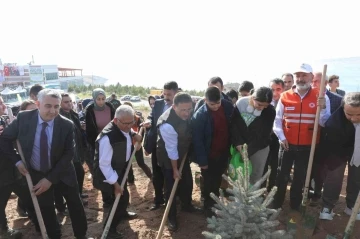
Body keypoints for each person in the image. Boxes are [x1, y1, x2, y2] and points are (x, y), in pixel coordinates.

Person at [0, 89, 91, 239]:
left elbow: (69, 154)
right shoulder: (24, 118)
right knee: (46, 208)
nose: (53, 111)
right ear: (38, 104)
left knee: (75, 205)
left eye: (56, 106)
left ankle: (82, 235)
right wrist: (17, 161)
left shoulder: (66, 125)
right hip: (37, 173)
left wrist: (50, 179)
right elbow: (4, 140)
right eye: (48, 106)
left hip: (63, 173)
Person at [272, 63, 330, 210]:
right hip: (287, 144)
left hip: (308, 146)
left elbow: (324, 122)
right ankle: (277, 203)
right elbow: (277, 120)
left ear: (311, 77)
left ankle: (295, 204)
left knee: (300, 177)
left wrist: (322, 108)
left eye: (304, 75)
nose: (300, 78)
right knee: (281, 175)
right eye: (298, 75)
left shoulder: (321, 96)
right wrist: (281, 137)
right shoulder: (285, 96)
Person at [93, 105, 141, 239]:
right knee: (121, 198)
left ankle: (122, 212)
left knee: (122, 196)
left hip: (120, 167)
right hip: (108, 173)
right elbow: (104, 165)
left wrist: (134, 134)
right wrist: (115, 184)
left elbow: (128, 130)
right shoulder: (107, 138)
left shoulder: (124, 125)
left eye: (131, 122)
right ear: (115, 121)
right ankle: (109, 230)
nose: (128, 126)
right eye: (125, 123)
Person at [157, 92, 200, 231]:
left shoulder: (186, 112)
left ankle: (187, 205)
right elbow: (171, 150)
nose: (187, 113)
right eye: (183, 110)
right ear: (174, 107)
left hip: (182, 153)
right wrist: (175, 169)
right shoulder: (167, 124)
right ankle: (171, 216)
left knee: (187, 181)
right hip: (168, 156)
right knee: (171, 186)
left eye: (189, 109)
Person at [191, 86, 234, 216]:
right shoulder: (199, 116)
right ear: (205, 100)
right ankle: (207, 206)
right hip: (208, 155)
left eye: (218, 103)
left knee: (217, 179)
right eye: (212, 104)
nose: (215, 107)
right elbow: (197, 141)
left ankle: (214, 203)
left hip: (223, 152)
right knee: (208, 181)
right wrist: (202, 161)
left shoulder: (227, 106)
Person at [319, 92, 360, 220]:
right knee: (334, 176)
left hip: (358, 149)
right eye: (349, 114)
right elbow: (330, 142)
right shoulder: (334, 123)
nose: (353, 118)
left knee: (357, 177)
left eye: (358, 114)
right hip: (338, 149)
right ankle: (327, 206)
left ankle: (352, 206)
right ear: (343, 109)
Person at [0, 96, 34, 239]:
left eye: (1, 102)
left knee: (29, 195)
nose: (2, 105)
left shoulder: (3, 120)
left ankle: (38, 220)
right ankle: (4, 230)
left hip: (13, 168)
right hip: (2, 173)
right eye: (0, 103)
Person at [143, 81, 179, 211]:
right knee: (157, 175)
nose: (166, 97)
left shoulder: (181, 106)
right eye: (164, 94)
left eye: (169, 94)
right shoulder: (158, 104)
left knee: (173, 175)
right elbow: (152, 117)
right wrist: (148, 121)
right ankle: (158, 200)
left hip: (174, 147)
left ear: (176, 93)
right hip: (157, 146)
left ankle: (178, 201)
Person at [310, 72, 344, 204]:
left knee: (320, 169)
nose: (314, 84)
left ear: (325, 83)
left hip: (325, 141)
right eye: (313, 81)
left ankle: (318, 193)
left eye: (317, 81)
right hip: (308, 139)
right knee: (309, 167)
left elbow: (337, 122)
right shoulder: (306, 97)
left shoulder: (337, 99)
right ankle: (307, 190)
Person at [231, 86, 275, 184]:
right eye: (259, 104)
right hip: (240, 144)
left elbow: (263, 135)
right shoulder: (241, 103)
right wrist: (238, 143)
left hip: (259, 147)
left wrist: (247, 151)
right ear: (252, 98)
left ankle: (252, 198)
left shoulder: (270, 111)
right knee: (239, 173)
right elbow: (234, 125)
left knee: (255, 174)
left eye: (265, 105)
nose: (262, 107)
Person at [54, 93, 88, 216]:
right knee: (67, 179)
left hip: (77, 149)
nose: (69, 104)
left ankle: (78, 194)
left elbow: (77, 133)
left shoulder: (73, 114)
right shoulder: (59, 117)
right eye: (66, 102)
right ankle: (64, 205)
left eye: (70, 101)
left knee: (80, 173)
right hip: (66, 154)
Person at [85, 88, 115, 207]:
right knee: (103, 170)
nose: (101, 102)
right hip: (97, 143)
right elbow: (90, 131)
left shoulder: (110, 107)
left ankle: (115, 194)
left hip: (112, 141)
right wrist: (96, 146)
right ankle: (107, 199)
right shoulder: (90, 110)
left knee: (114, 168)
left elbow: (115, 123)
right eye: (98, 99)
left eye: (103, 99)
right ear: (94, 99)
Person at [262, 78, 284, 191]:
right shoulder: (263, 102)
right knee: (263, 164)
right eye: (272, 89)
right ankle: (261, 189)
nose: (275, 92)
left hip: (279, 139)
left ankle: (272, 189)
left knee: (275, 165)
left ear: (283, 89)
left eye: (278, 89)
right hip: (265, 139)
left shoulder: (286, 102)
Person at [122, 101, 152, 183]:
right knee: (128, 164)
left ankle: (151, 176)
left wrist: (139, 143)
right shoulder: (121, 120)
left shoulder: (138, 119)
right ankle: (131, 180)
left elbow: (141, 132)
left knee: (141, 163)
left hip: (136, 144)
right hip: (127, 145)